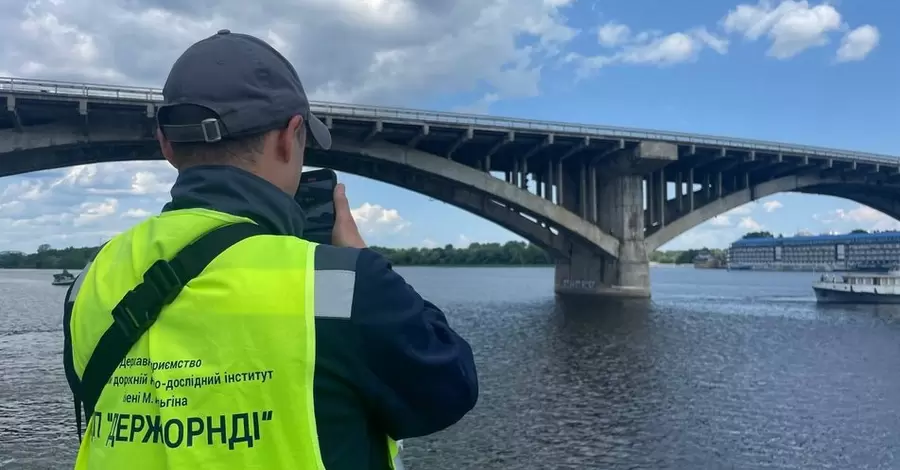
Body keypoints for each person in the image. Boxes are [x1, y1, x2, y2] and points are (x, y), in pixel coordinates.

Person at [62, 30, 478, 470]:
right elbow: (450, 388)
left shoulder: (91, 278)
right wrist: (365, 263)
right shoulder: (342, 284)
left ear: (166, 145)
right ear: (290, 135)